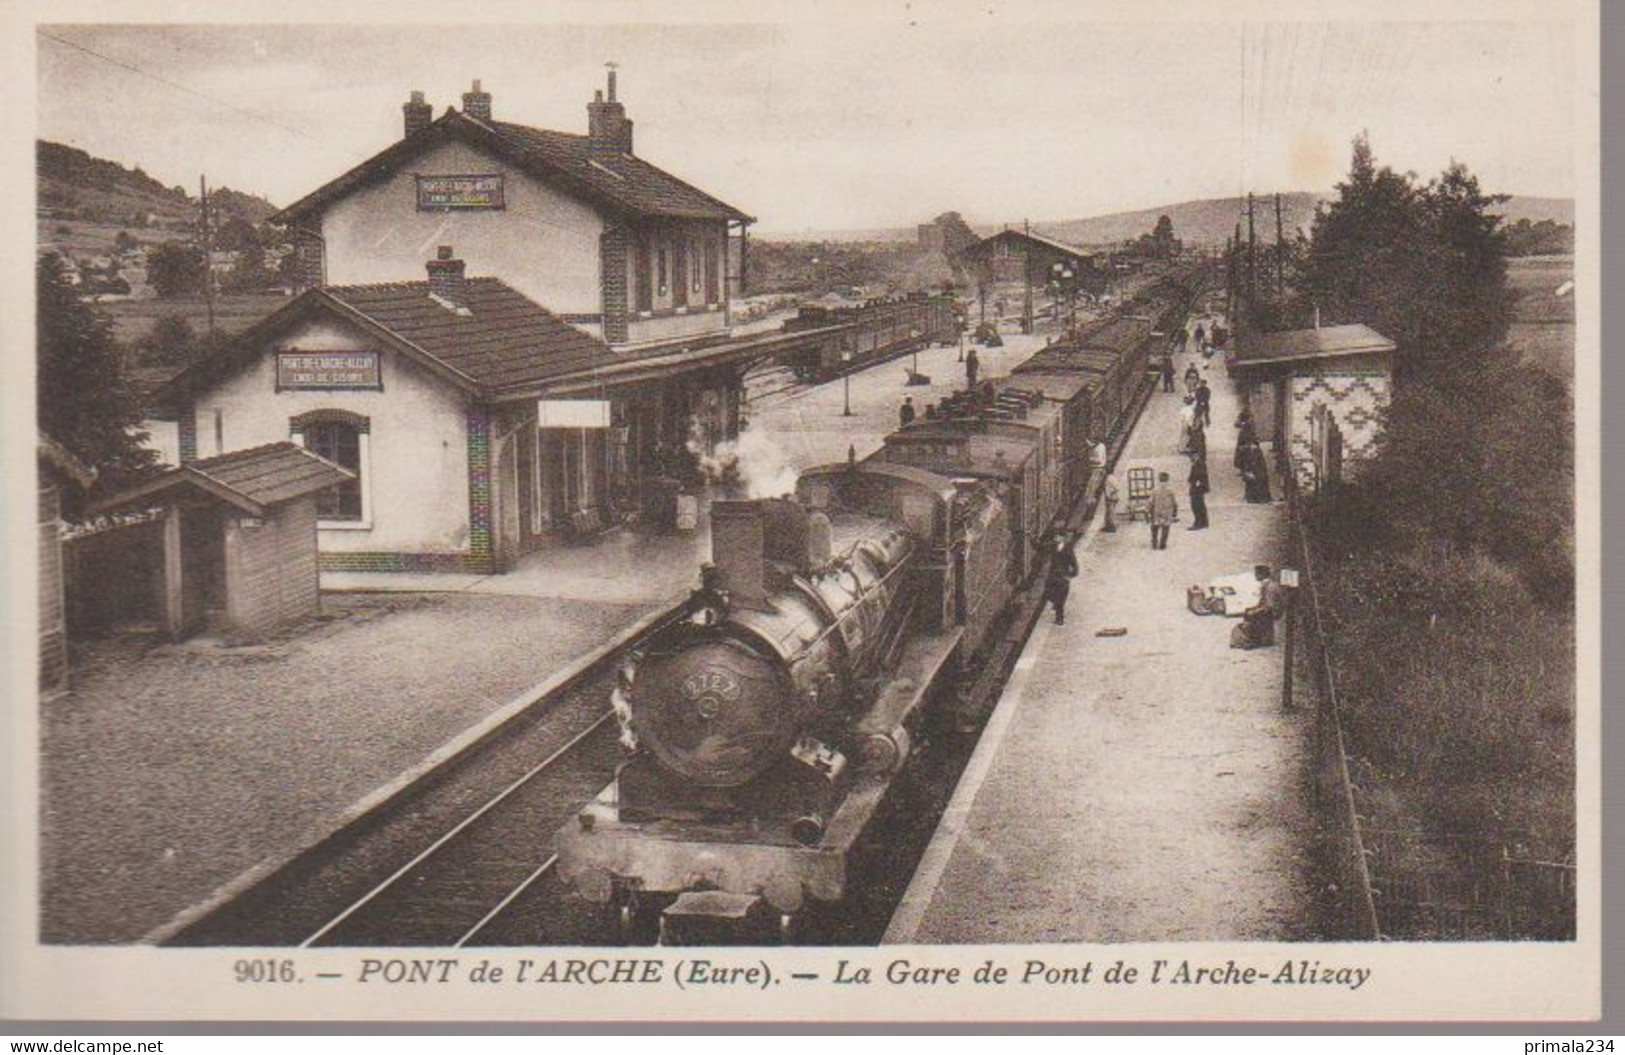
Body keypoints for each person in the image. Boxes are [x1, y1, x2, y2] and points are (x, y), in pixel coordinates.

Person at [1232, 565, 1285, 649]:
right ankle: (1259, 637)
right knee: (1249, 611)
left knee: (1252, 614)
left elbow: (1269, 606)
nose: (1255, 576)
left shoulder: (1269, 587)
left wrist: (1254, 611)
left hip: (1273, 611)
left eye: (1257, 574)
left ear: (1262, 575)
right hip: (1272, 609)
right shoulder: (1268, 584)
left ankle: (1255, 638)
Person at [1043, 530, 1080, 625]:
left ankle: (1059, 619)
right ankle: (1055, 603)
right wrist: (1031, 538)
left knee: (1060, 600)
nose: (1056, 540)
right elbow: (1041, 548)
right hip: (1053, 576)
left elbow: (1075, 566)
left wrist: (1070, 575)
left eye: (1058, 538)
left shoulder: (1068, 549)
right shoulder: (1053, 547)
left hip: (1062, 578)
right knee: (1048, 593)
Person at [1149, 472, 1177, 550]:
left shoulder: (1155, 490)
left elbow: (1150, 501)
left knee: (1155, 526)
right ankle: (1163, 544)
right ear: (1168, 479)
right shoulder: (1171, 490)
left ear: (1159, 479)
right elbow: (1174, 501)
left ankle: (1154, 542)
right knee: (1166, 527)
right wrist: (1175, 511)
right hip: (1167, 511)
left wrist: (1149, 509)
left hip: (1157, 510)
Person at [1187, 455, 1210, 530]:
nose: (1190, 458)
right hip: (1200, 487)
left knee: (1196, 505)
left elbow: (1197, 476)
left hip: (1197, 488)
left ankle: (1198, 523)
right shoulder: (1200, 463)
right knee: (1201, 504)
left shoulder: (1198, 464)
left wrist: (1193, 482)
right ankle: (1204, 522)